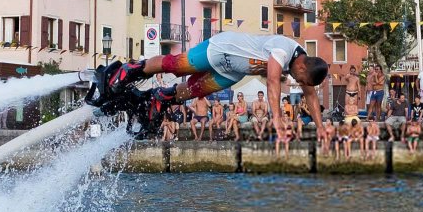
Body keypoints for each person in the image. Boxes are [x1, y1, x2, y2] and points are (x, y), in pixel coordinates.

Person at [102, 32, 329, 138]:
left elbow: (310, 96)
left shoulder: (303, 64)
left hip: (233, 72)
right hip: (222, 49)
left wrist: (320, 127)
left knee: (189, 93)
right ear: (302, 69)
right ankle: (130, 70)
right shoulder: (283, 49)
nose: (299, 83)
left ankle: (160, 97)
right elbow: (272, 82)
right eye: (301, 80)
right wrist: (277, 119)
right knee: (176, 66)